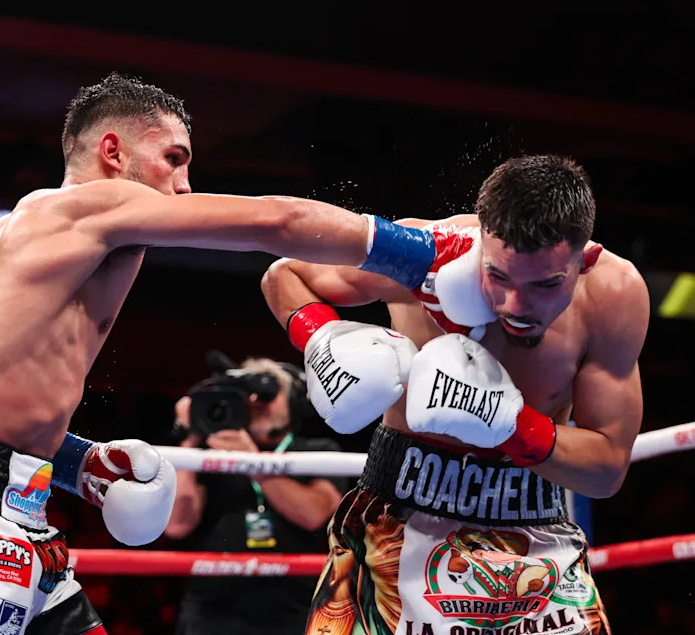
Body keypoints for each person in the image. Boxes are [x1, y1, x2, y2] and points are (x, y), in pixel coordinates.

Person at [0, 72, 474, 635]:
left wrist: (78, 463)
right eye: (172, 159)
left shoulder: (48, 239)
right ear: (112, 152)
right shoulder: (84, 207)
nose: (184, 184)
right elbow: (275, 223)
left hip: (10, 512)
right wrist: (427, 252)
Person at [261, 154, 650, 635]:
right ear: (481, 242)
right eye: (499, 276)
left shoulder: (613, 292)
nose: (516, 305)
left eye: (546, 284)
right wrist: (322, 339)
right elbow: (284, 274)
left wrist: (509, 423)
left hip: (532, 534)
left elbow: (607, 468)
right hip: (396, 518)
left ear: (584, 260)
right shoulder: (419, 255)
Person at [164, 354, 347, 635]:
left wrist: (250, 459)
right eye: (247, 395)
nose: (256, 403)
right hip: (211, 614)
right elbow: (176, 524)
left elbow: (313, 515)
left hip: (296, 612)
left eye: (267, 394)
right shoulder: (209, 455)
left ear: (294, 401)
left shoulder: (317, 450)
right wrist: (191, 436)